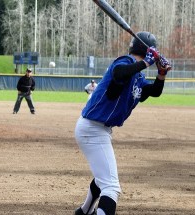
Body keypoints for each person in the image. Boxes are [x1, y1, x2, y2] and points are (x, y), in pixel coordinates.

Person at [73, 31, 171, 215]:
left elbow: (154, 91)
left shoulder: (138, 78)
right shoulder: (124, 62)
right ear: (149, 51)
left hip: (98, 130)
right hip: (92, 129)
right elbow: (119, 74)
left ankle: (84, 211)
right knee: (111, 188)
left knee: (103, 177)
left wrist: (161, 74)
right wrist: (146, 63)